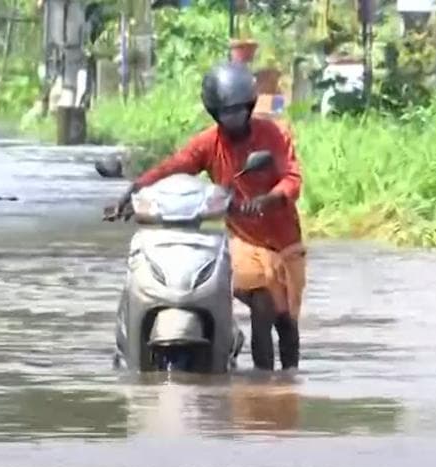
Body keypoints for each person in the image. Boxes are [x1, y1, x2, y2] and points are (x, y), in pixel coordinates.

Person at [105, 62, 307, 371]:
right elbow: (176, 165)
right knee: (262, 305)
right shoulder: (209, 142)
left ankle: (287, 384)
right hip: (242, 239)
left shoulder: (274, 136)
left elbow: (291, 179)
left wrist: (267, 199)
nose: (234, 119)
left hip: (285, 240)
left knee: (286, 323)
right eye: (226, 113)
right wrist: (136, 189)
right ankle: (263, 385)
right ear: (215, 112)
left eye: (239, 111)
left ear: (250, 106)